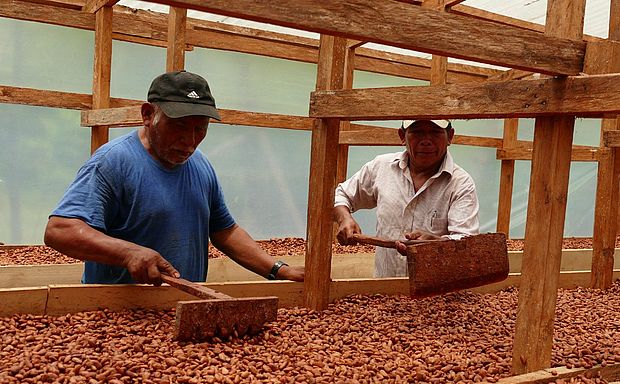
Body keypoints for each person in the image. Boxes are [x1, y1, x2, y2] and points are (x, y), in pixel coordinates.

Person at [44, 70, 304, 285]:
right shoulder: (113, 162)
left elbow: (225, 230)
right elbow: (60, 231)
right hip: (118, 313)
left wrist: (279, 270)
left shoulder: (200, 165)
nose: (190, 142)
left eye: (200, 129)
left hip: (185, 307)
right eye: (179, 127)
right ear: (148, 115)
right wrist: (128, 253)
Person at [333, 119, 479, 277]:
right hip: (384, 288)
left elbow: (466, 243)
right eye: (417, 132)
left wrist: (437, 243)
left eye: (435, 132)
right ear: (402, 136)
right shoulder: (381, 167)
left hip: (437, 292)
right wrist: (344, 218)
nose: (426, 141)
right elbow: (341, 194)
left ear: (450, 136)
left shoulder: (461, 184)